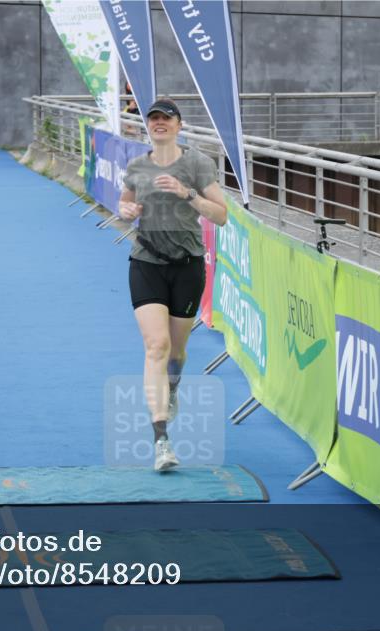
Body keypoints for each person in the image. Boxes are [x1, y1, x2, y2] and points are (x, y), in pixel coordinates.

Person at [118, 99, 228, 472]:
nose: (159, 123)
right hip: (146, 261)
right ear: (147, 126)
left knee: (176, 352)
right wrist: (126, 211)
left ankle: (173, 386)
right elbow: (124, 203)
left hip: (187, 266)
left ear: (179, 125)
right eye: (153, 119)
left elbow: (222, 216)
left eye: (166, 118)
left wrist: (188, 194)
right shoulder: (137, 166)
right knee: (156, 345)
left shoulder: (197, 164)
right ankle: (161, 441)